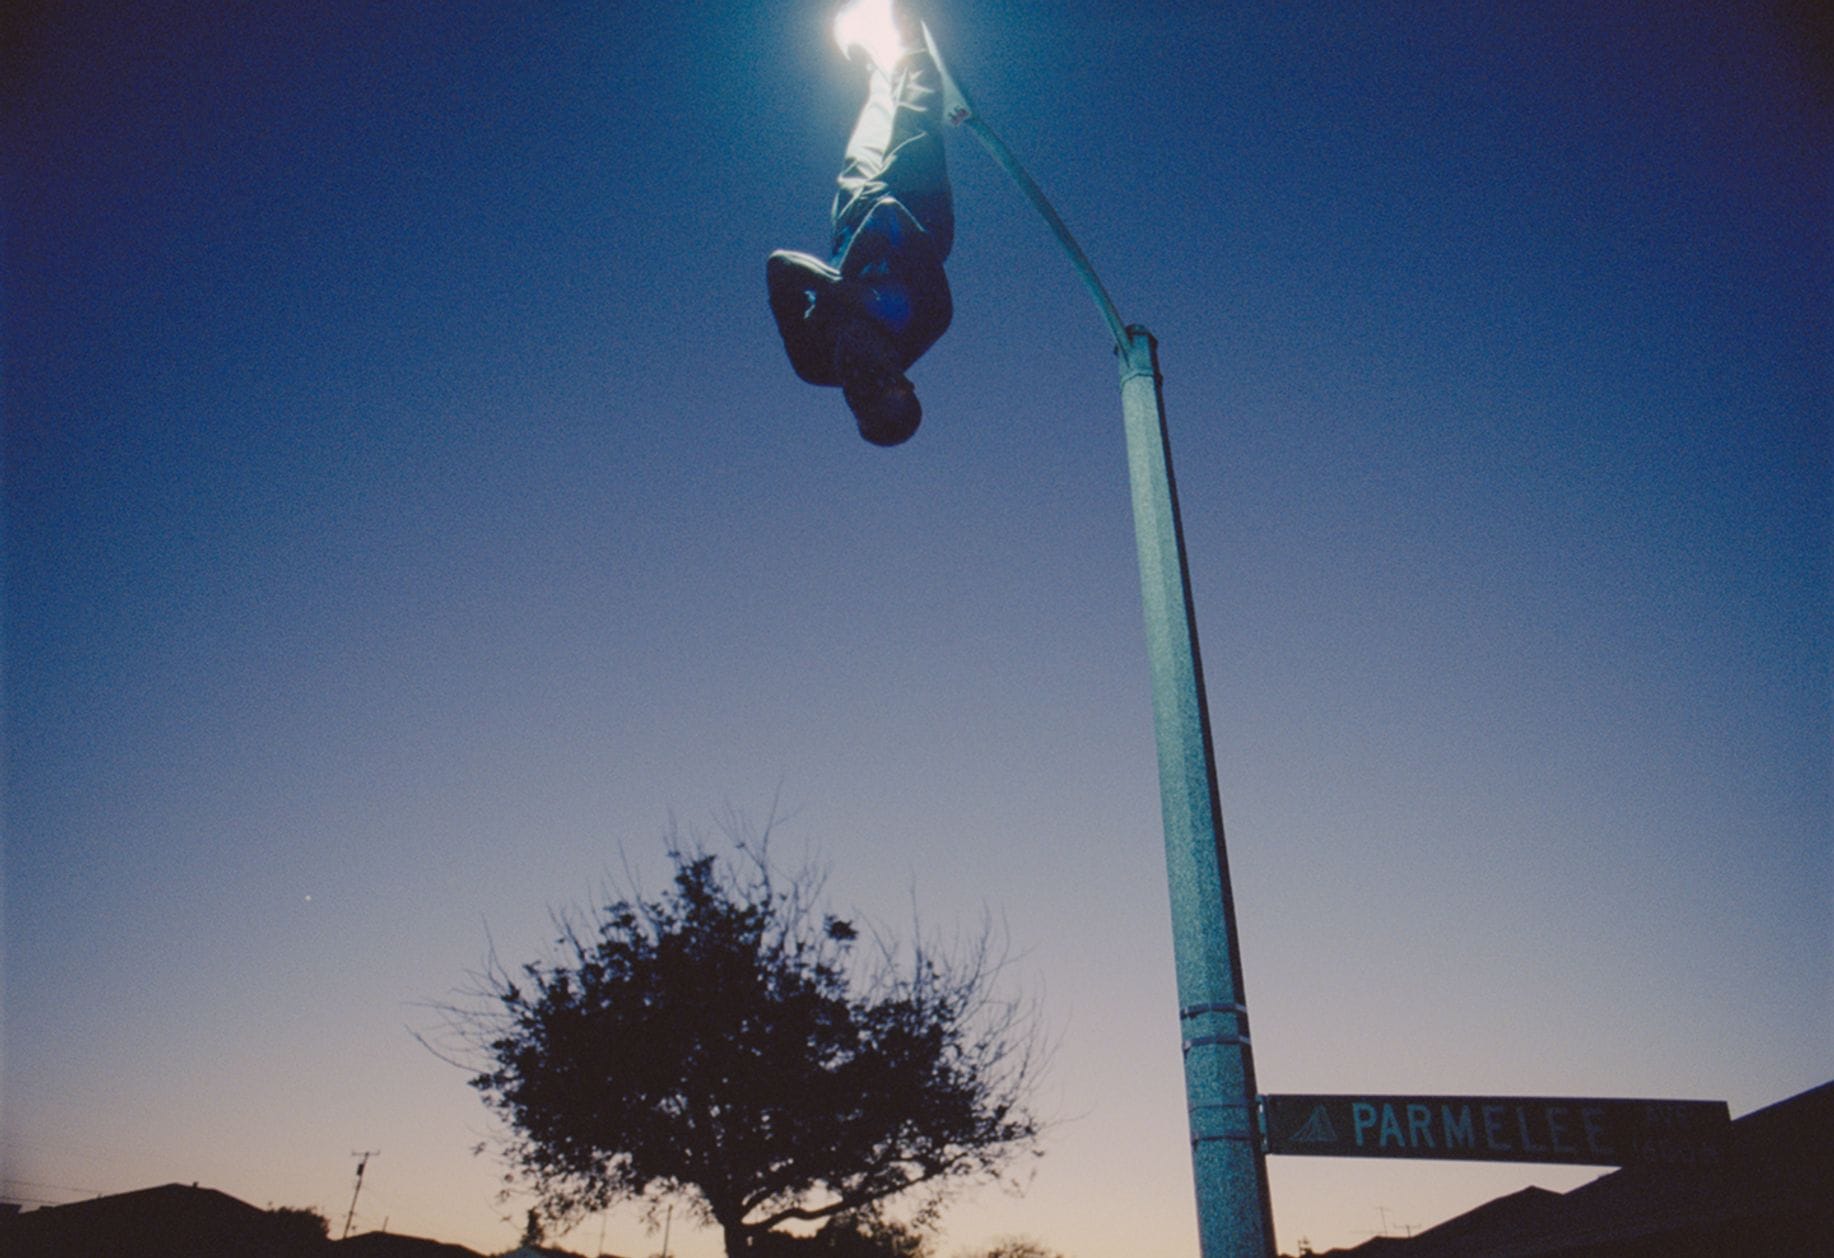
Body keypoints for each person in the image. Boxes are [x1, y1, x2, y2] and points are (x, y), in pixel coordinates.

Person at [767, 0, 954, 447]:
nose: (855, 381)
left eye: (854, 399)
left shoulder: (814, 363)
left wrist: (829, 283)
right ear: (901, 379)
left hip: (852, 210)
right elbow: (890, 215)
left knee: (874, 115)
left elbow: (777, 267)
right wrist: (840, 285)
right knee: (914, 115)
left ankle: (876, 61)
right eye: (874, 385)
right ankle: (908, 37)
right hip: (918, 207)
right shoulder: (928, 317)